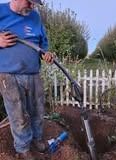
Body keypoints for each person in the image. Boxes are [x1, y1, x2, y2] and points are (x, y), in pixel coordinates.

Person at [0, 0, 55, 159]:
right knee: (18, 114)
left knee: (37, 110)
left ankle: (36, 139)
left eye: (35, 3)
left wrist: (47, 54)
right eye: (29, 2)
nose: (32, 6)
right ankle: (23, 147)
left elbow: (43, 45)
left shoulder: (35, 17)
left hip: (33, 74)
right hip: (8, 75)